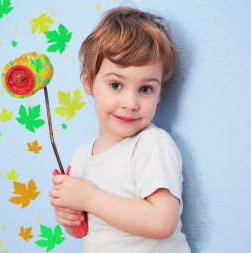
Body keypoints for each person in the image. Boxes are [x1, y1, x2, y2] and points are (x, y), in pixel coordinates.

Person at [49, 6, 191, 253]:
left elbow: (162, 222)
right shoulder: (81, 156)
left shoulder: (151, 144)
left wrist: (89, 198)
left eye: (145, 89)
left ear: (159, 94)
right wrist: (69, 214)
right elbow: (87, 229)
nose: (130, 103)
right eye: (116, 85)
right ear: (88, 82)